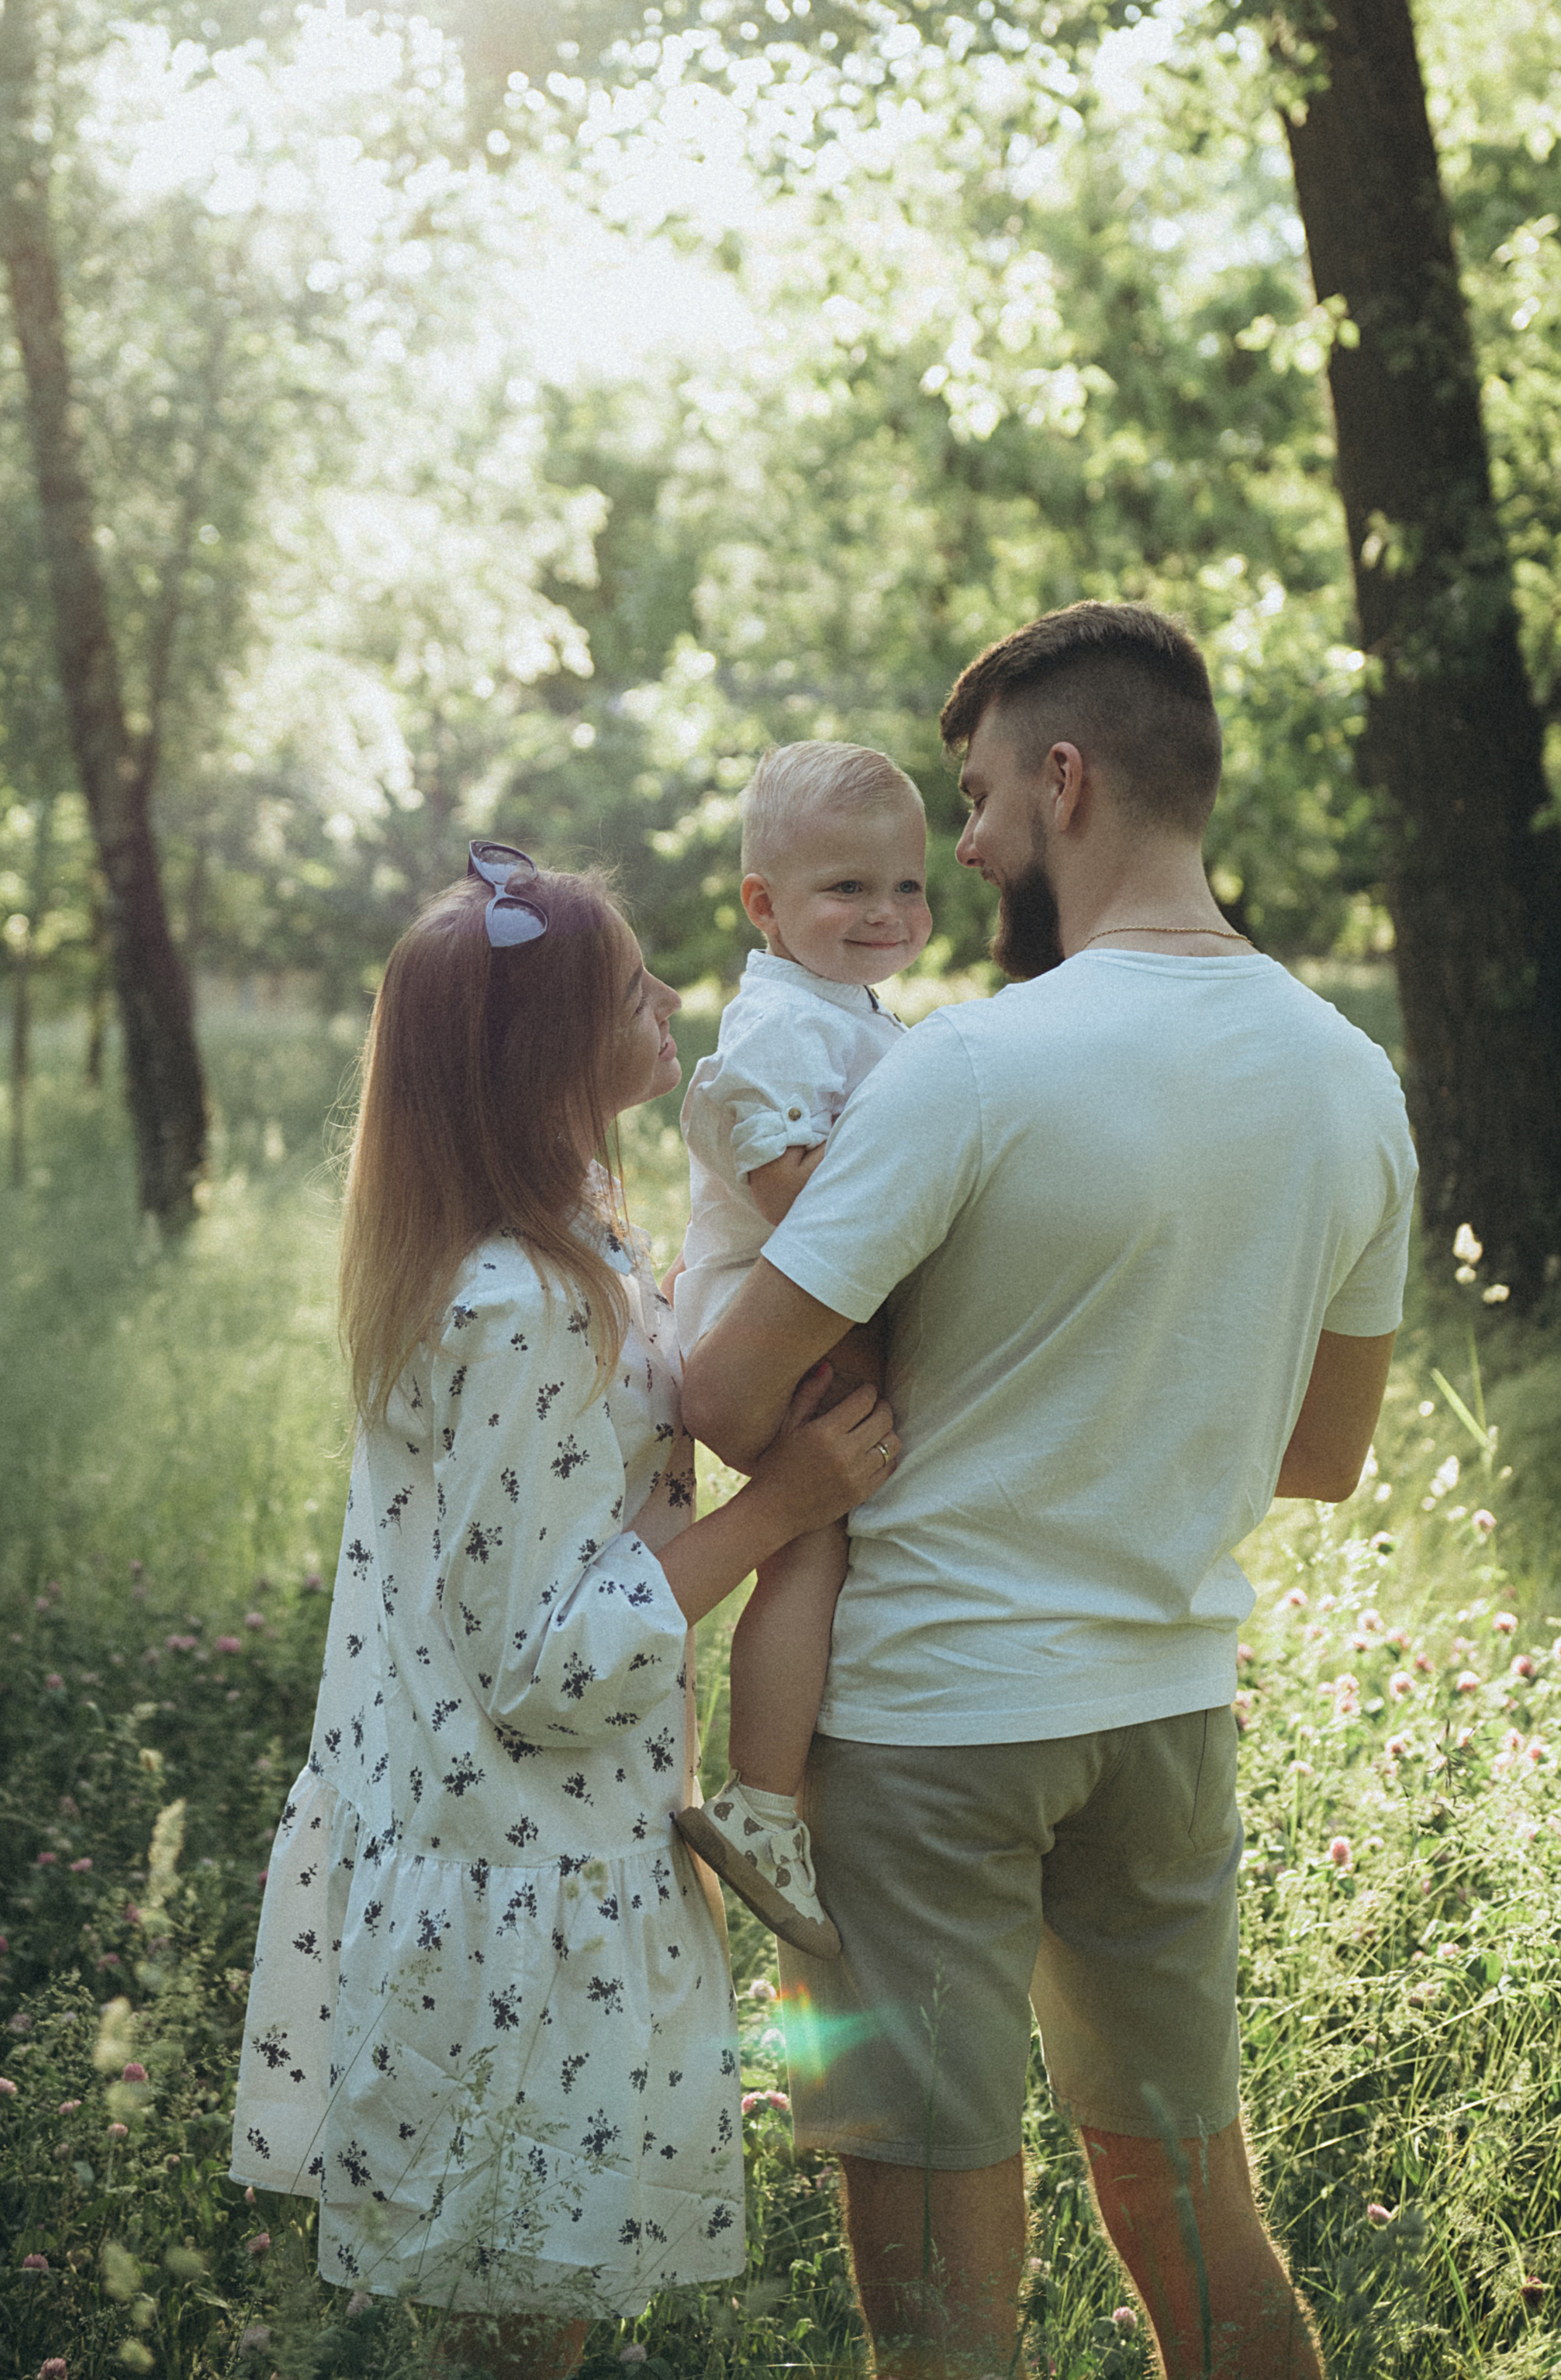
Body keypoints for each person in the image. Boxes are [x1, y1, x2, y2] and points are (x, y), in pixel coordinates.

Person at [682, 604, 1418, 2380]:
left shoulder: (965, 1065)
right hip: (1164, 1714)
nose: (969, 844)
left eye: (983, 796)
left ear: (1065, 779)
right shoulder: (1350, 1077)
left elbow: (721, 1389)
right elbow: (1320, 1459)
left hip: (929, 1722)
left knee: (938, 2271)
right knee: (1184, 2189)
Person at [229, 844, 896, 2379]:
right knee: (516, 2331)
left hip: (514, 1848)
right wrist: (776, 1508)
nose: (670, 999)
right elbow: (544, 1658)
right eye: (626, 990)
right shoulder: (519, 1304)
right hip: (518, 1881)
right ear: (545, 1055)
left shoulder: (558, 1232)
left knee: (528, 2320)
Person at [668, 742, 933, 1954]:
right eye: (846, 889)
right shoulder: (776, 1021)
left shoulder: (847, 1011)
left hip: (796, 1312)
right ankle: (760, 1805)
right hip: (762, 1317)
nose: (884, 915)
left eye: (907, 888)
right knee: (807, 1549)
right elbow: (800, 1195)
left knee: (824, 1545)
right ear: (763, 905)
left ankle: (780, 1791)